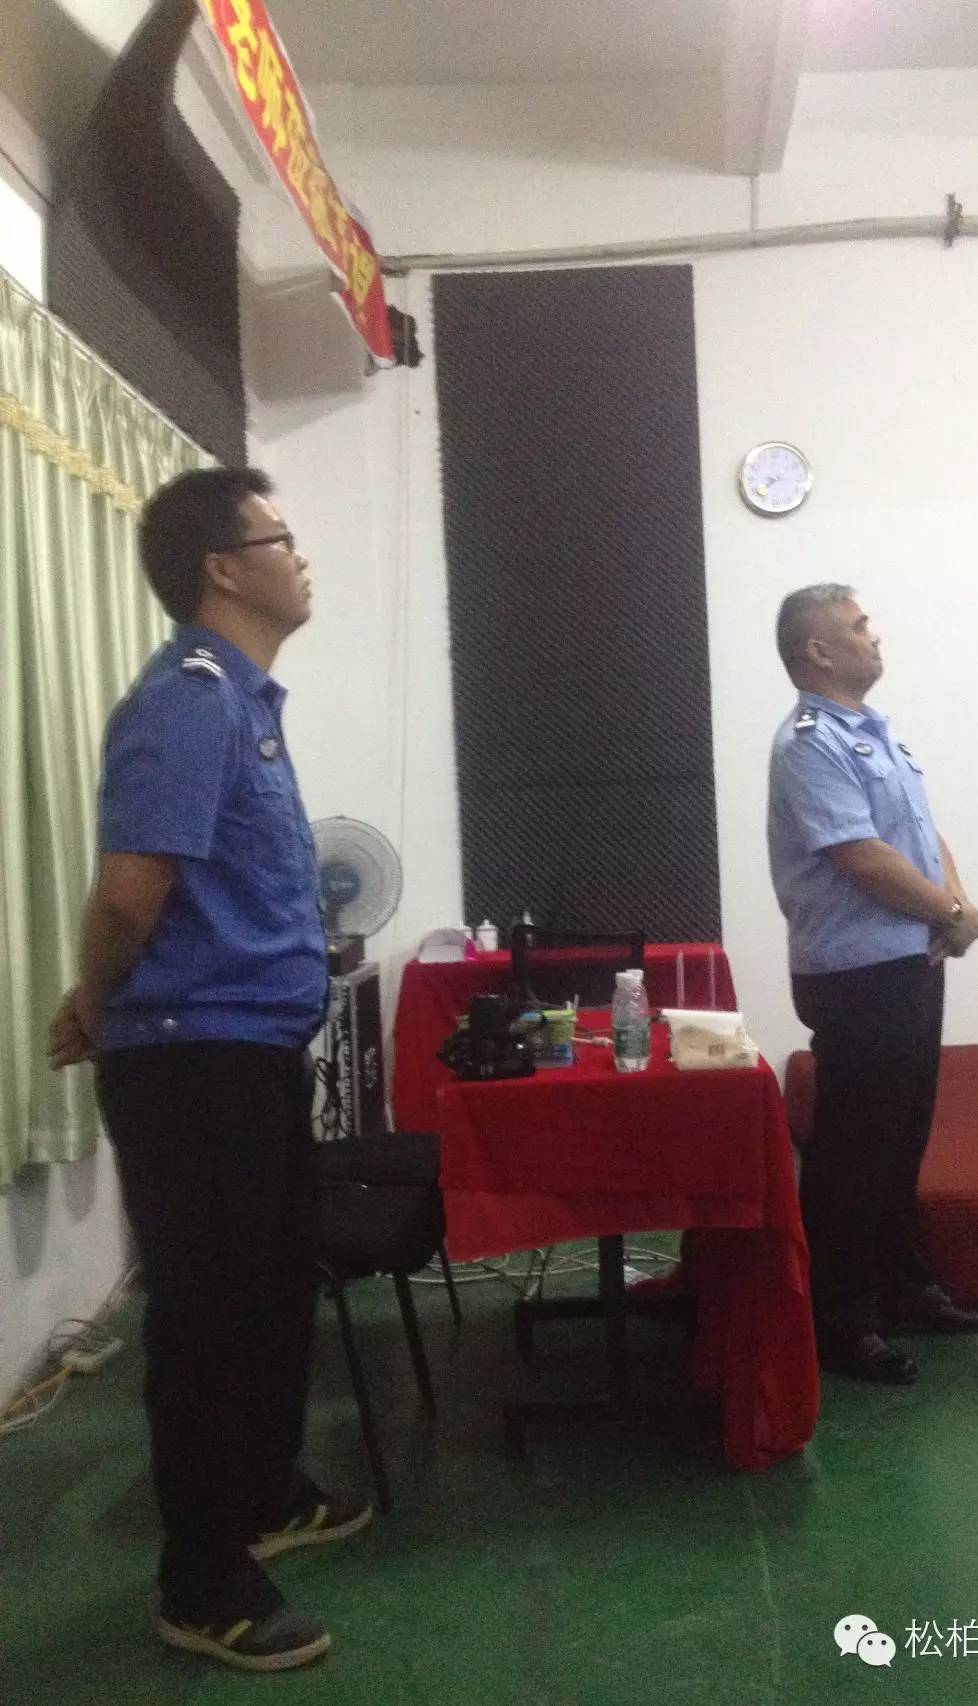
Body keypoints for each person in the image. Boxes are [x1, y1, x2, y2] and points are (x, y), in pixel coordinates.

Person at [48, 468, 367, 1672]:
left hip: (248, 1047)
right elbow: (131, 893)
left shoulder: (241, 700)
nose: (300, 555)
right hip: (194, 1062)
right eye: (280, 536)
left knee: (273, 1286)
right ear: (223, 569)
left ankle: (264, 1489)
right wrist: (96, 1000)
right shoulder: (187, 699)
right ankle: (200, 1578)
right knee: (209, 1315)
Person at [767, 583, 978, 1385]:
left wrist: (953, 907)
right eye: (860, 626)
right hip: (857, 974)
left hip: (908, 963)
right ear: (819, 651)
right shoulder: (808, 743)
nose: (875, 635)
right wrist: (951, 914)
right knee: (854, 1154)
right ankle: (841, 1320)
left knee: (901, 1142)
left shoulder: (875, 733)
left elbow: (921, 835)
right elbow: (860, 856)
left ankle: (904, 1289)